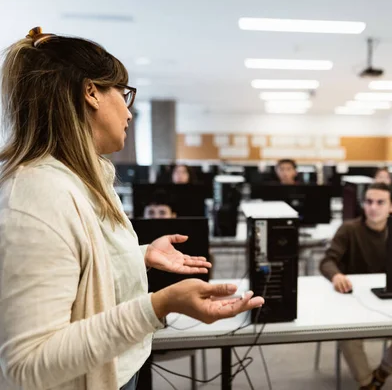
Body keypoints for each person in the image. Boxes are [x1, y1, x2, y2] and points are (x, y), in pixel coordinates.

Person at [0, 27, 264, 390]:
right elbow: (28, 365)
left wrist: (137, 256)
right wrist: (159, 305)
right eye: (123, 94)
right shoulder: (38, 194)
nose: (128, 110)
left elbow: (76, 269)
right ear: (91, 92)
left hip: (116, 370)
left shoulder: (79, 179)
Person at [319, 182, 392, 390]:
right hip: (355, 304)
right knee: (348, 337)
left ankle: (381, 374)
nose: (373, 207)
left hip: (390, 302)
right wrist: (336, 275)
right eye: (369, 202)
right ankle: (367, 384)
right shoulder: (349, 229)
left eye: (380, 202)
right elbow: (327, 261)